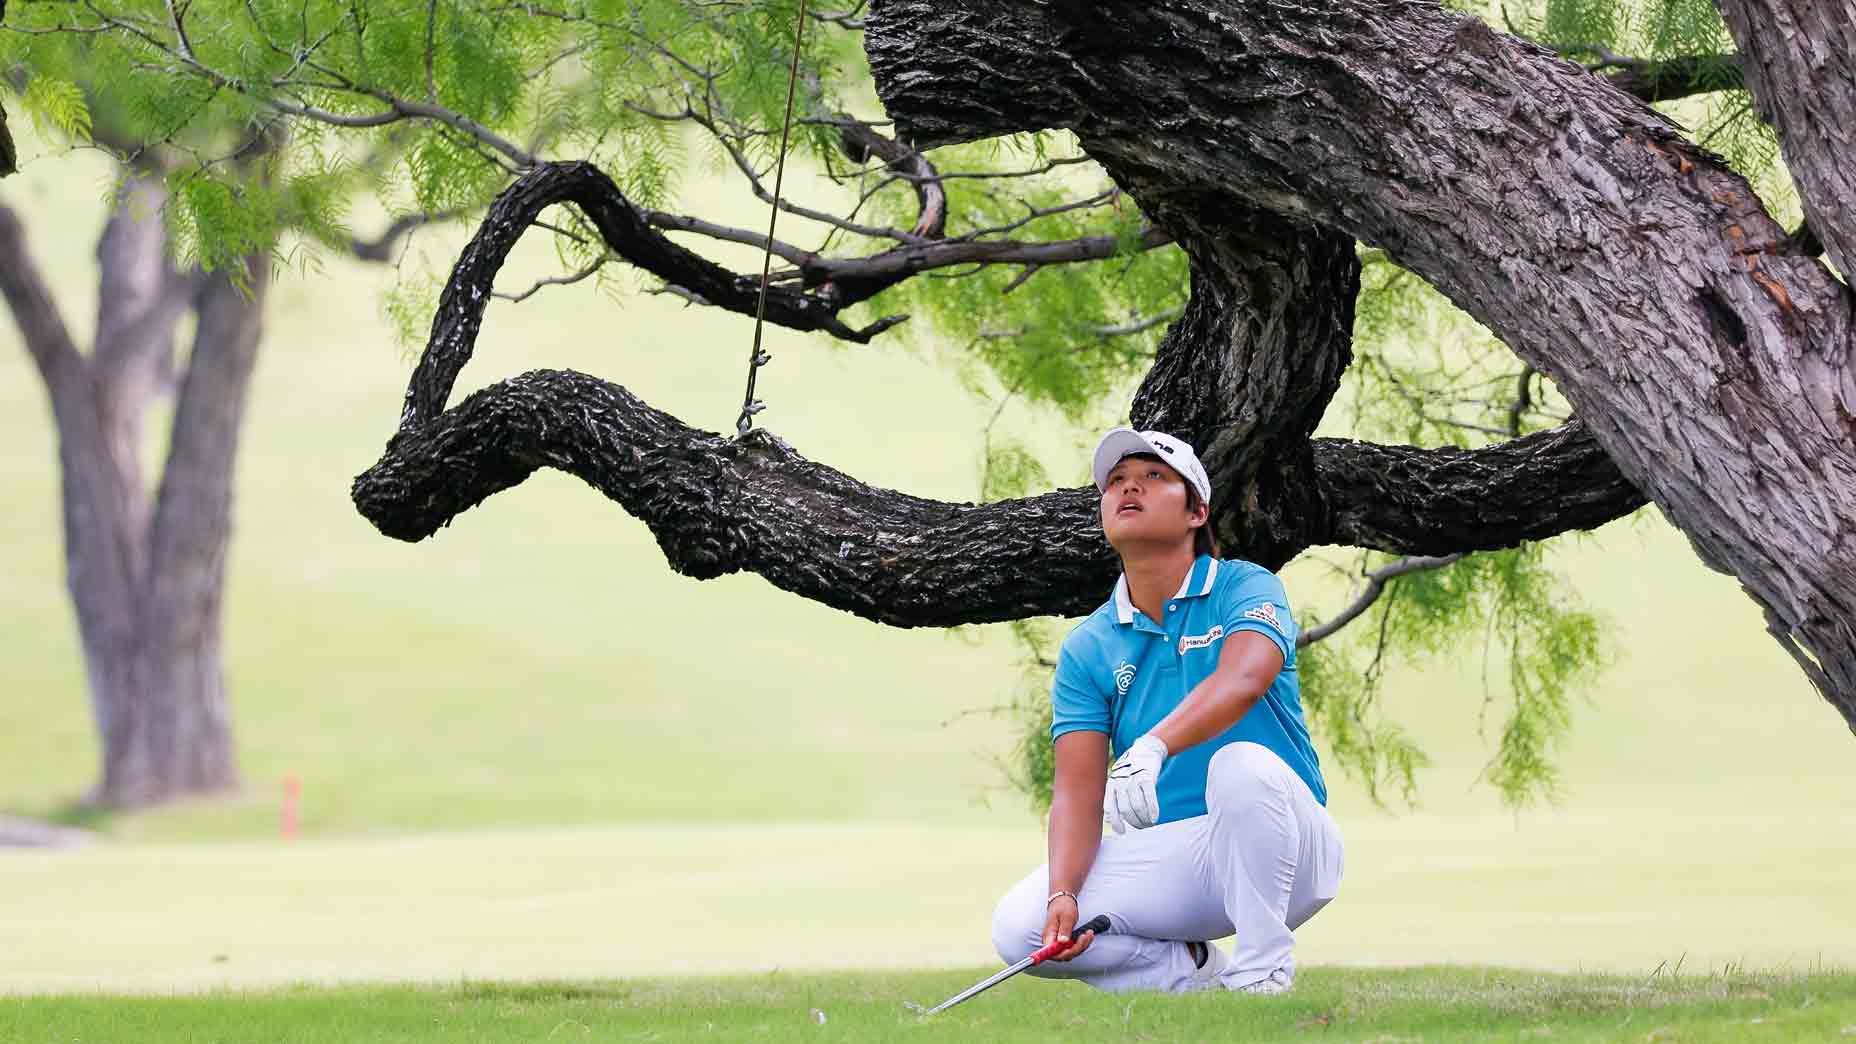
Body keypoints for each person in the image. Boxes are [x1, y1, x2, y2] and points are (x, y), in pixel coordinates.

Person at [989, 426, 1344, 994]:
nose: (1130, 489)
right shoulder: (1090, 645)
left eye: (1154, 477)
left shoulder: (1245, 586)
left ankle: (1262, 973)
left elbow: (1245, 678)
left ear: (1196, 511)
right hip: (1184, 859)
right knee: (1019, 928)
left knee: (1241, 766)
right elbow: (1077, 793)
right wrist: (1064, 895)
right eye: (1116, 482)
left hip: (1290, 849)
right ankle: (1195, 978)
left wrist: (1153, 745)